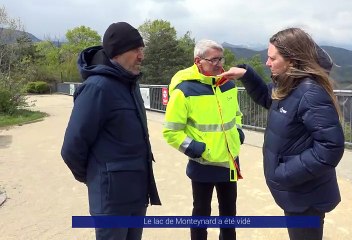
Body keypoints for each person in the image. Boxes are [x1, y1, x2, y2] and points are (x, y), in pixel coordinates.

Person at [219, 28, 345, 240]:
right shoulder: (289, 84)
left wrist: (284, 172)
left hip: (306, 195)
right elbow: (269, 98)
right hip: (297, 191)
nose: (267, 63)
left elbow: (330, 147)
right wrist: (247, 75)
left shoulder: (309, 92)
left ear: (292, 61)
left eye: (272, 58)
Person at [61, 22, 161, 240]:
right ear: (118, 52)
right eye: (136, 50)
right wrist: (98, 177)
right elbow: (71, 148)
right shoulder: (97, 88)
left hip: (137, 194)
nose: (141, 56)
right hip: (111, 201)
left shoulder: (130, 84)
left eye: (142, 50)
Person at [163, 39, 244, 240]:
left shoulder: (229, 86)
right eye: (214, 59)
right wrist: (194, 148)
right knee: (201, 213)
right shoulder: (184, 90)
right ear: (198, 61)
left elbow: (236, 115)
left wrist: (239, 132)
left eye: (221, 58)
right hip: (203, 163)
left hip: (230, 161)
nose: (219, 64)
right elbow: (171, 131)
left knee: (229, 213)